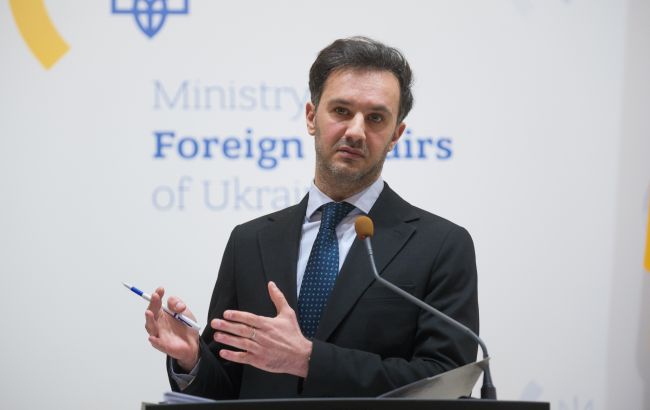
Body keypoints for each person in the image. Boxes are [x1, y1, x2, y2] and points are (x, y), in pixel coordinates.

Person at [144, 36, 479, 399]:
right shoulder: (250, 241)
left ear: (396, 134)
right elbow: (227, 387)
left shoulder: (440, 245)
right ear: (311, 117)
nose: (356, 131)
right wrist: (192, 360)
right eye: (341, 111)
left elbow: (445, 381)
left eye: (376, 118)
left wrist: (309, 359)